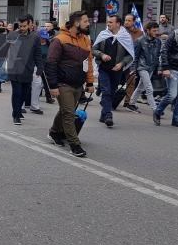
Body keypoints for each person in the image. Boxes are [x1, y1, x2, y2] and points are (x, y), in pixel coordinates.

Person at [46, 11, 95, 158]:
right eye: (86, 21)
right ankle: (75, 145)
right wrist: (53, 86)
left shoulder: (86, 40)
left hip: (78, 84)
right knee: (69, 113)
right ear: (76, 23)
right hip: (63, 83)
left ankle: (54, 132)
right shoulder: (59, 39)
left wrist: (90, 82)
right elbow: (51, 63)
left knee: (66, 110)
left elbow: (89, 62)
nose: (88, 24)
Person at [92, 15, 134, 128]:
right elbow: (94, 49)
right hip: (104, 68)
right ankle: (108, 115)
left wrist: (122, 64)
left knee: (111, 92)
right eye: (108, 22)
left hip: (117, 70)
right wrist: (102, 55)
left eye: (111, 22)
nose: (108, 24)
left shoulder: (125, 37)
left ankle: (103, 114)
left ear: (118, 24)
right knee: (106, 91)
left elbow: (130, 55)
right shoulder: (103, 34)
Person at [6, 16, 43, 125]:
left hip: (28, 68)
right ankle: (16, 115)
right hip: (15, 68)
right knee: (17, 92)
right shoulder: (12, 35)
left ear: (30, 24)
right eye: (20, 26)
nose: (22, 28)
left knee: (25, 93)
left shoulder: (35, 37)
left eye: (24, 26)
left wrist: (40, 67)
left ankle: (17, 110)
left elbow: (38, 53)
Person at [126, 21, 161, 113]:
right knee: (149, 88)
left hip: (151, 67)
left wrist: (158, 68)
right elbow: (135, 56)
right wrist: (133, 69)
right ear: (147, 30)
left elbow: (158, 55)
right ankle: (155, 109)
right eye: (154, 31)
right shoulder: (140, 41)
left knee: (140, 87)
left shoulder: (158, 41)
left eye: (157, 30)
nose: (156, 32)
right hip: (142, 67)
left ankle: (131, 104)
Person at [122, 13, 144, 112]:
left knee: (131, 82)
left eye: (129, 20)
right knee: (114, 80)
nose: (126, 22)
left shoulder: (139, 33)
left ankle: (127, 102)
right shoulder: (120, 31)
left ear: (134, 22)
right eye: (125, 20)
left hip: (132, 61)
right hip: (119, 60)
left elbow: (142, 47)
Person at [30, 27, 52, 114]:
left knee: (40, 84)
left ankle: (35, 105)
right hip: (34, 66)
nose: (43, 39)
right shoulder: (33, 44)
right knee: (31, 85)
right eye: (42, 37)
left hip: (44, 66)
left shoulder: (49, 45)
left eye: (45, 38)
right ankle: (25, 104)